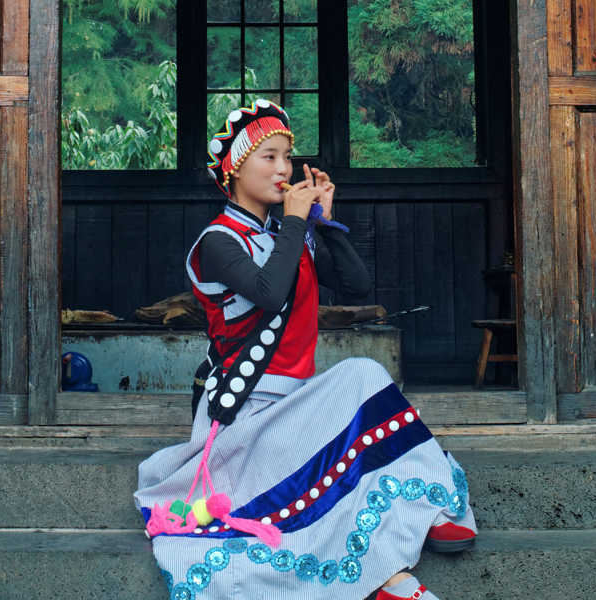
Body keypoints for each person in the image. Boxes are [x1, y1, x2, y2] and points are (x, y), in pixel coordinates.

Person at [135, 100, 476, 600]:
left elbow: (356, 286)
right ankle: (428, 529)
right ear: (234, 169)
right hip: (244, 414)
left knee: (360, 430)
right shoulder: (218, 242)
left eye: (287, 158)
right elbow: (269, 293)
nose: (284, 170)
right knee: (362, 375)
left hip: (296, 406)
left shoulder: (287, 235)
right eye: (269, 157)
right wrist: (296, 223)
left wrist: (325, 223)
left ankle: (396, 570)